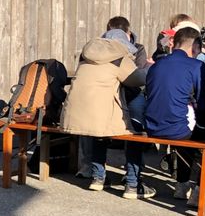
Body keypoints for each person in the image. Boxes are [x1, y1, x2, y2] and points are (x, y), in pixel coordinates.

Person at [60, 36, 151, 197]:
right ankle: (132, 184)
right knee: (135, 131)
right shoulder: (119, 58)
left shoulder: (86, 57)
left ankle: (98, 178)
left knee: (100, 133)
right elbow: (137, 80)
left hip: (74, 115)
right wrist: (149, 67)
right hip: (100, 115)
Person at [144, 26, 205, 199]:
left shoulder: (156, 65)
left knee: (183, 121)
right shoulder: (196, 65)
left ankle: (182, 184)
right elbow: (204, 103)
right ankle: (197, 190)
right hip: (177, 130)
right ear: (195, 47)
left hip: (151, 126)